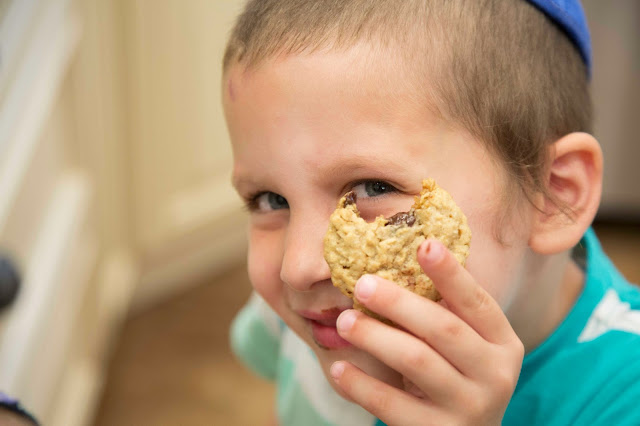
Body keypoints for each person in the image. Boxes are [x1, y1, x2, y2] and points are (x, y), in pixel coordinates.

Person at [222, 0, 640, 424]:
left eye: (374, 187)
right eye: (271, 199)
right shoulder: (310, 314)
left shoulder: (625, 397)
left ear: (551, 196)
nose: (297, 268)